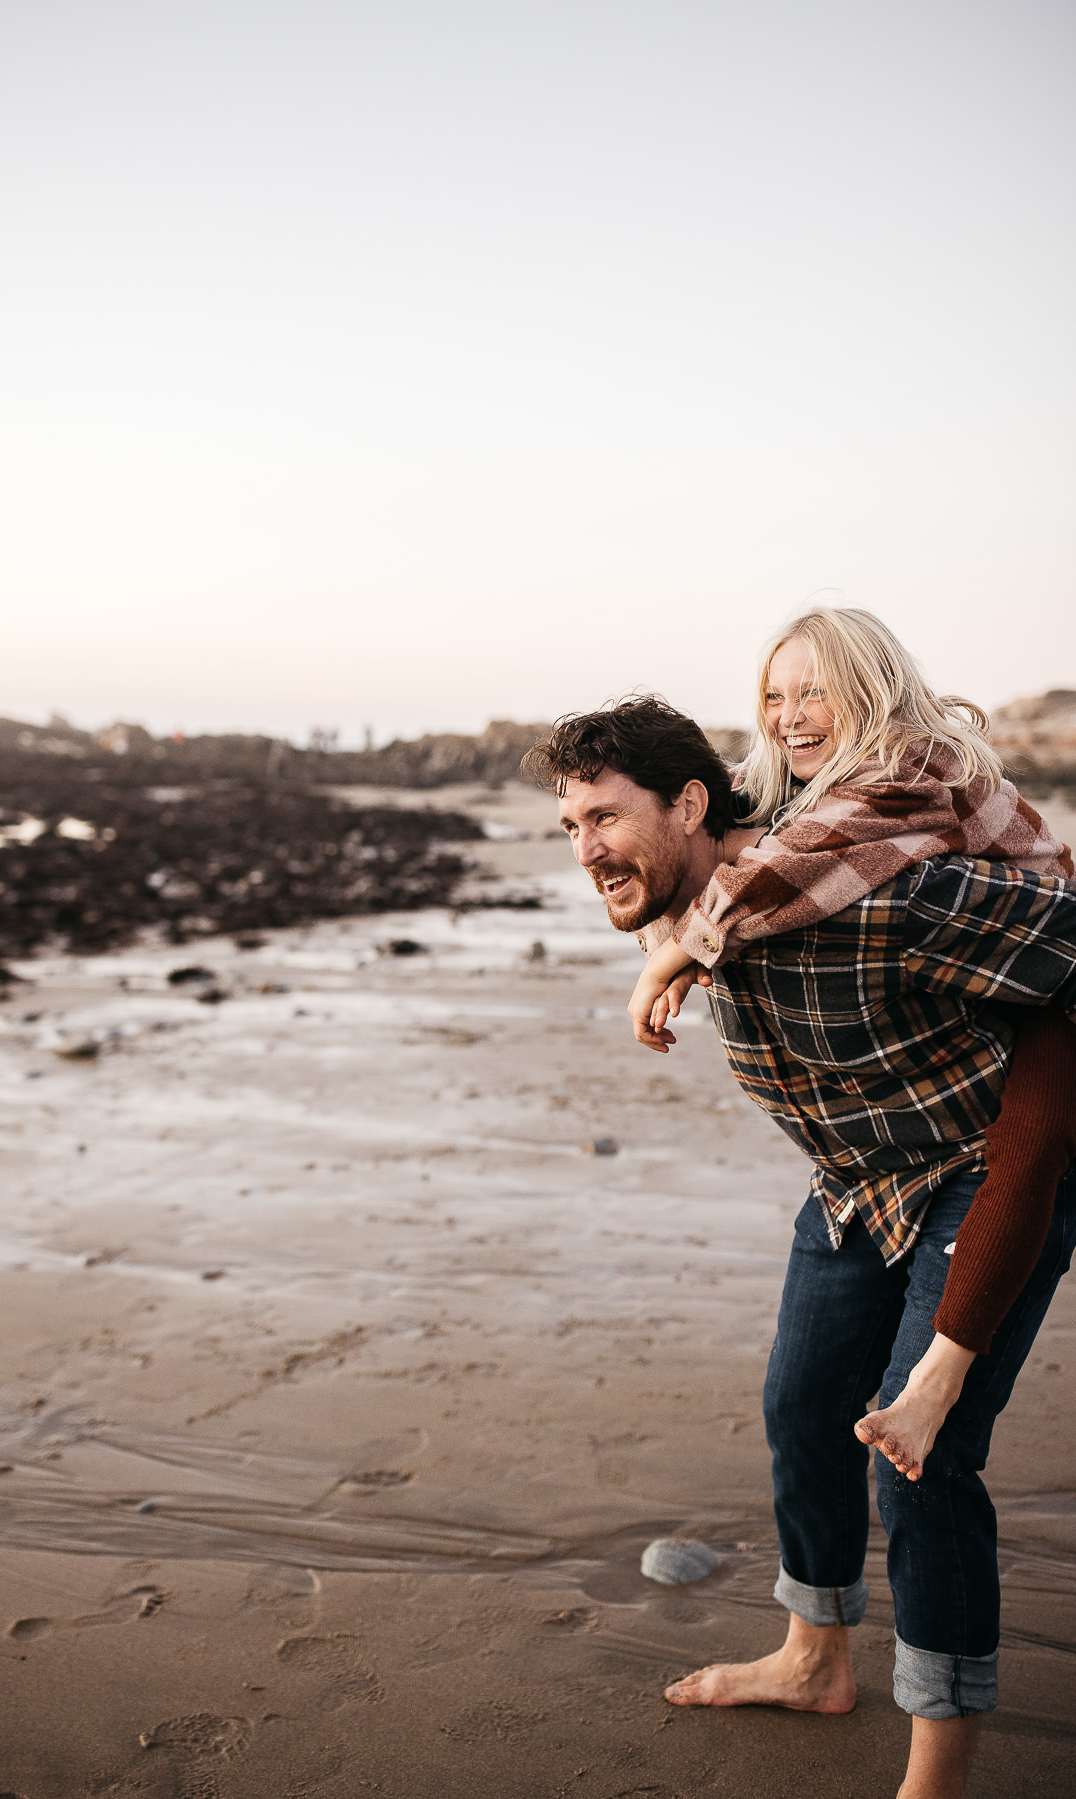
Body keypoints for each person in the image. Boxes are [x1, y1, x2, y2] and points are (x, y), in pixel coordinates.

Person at [526, 642, 1076, 1799]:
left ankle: (934, 1773)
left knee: (923, 1463)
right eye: (567, 826)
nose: (585, 852)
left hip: (987, 1169)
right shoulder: (705, 906)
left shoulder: (873, 892)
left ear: (687, 805)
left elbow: (1067, 946)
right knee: (801, 1403)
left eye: (603, 819)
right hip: (853, 1181)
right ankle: (815, 1656)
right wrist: (679, 939)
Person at [624, 610, 1076, 1485]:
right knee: (806, 1406)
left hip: (1056, 990)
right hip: (999, 1001)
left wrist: (675, 958)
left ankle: (935, 1384)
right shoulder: (814, 785)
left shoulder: (904, 768)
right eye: (773, 695)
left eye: (814, 691)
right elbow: (714, 822)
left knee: (1025, 1161)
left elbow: (794, 868)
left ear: (870, 691)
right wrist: (661, 934)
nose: (789, 714)